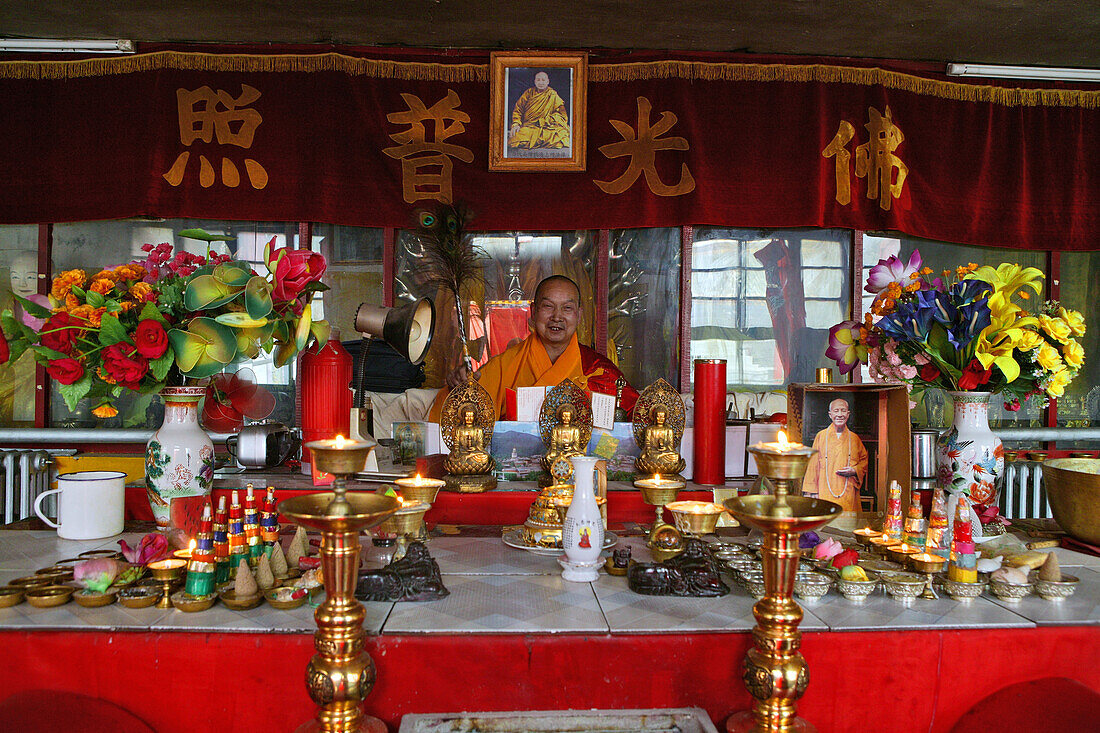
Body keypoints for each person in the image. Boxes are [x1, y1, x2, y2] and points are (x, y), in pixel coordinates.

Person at [429, 275, 638, 420]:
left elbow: (636, 415)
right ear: (533, 311)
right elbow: (465, 408)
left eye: (567, 308)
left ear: (579, 316)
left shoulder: (598, 370)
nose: (557, 316)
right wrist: (457, 388)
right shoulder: (507, 364)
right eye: (548, 306)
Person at [801, 398, 869, 512]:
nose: (840, 414)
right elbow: (813, 466)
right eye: (836, 411)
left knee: (846, 523)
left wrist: (854, 470)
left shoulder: (854, 438)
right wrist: (811, 492)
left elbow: (864, 460)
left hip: (847, 491)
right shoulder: (821, 436)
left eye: (843, 411)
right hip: (824, 491)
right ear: (830, 414)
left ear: (848, 414)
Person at [508, 71, 570, 151]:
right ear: (535, 81)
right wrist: (516, 123)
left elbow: (562, 116)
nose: (541, 82)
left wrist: (545, 121)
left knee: (562, 134)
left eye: (543, 80)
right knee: (514, 138)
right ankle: (542, 142)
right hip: (529, 127)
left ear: (548, 81)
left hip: (547, 128)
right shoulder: (528, 93)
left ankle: (537, 141)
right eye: (538, 80)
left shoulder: (553, 95)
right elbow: (518, 110)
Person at [444, 405, 495, 475]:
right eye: (467, 416)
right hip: (462, 453)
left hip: (475, 453)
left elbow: (480, 444)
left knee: (485, 458)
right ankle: (467, 459)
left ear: (474, 417)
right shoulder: (460, 429)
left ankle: (469, 458)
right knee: (451, 459)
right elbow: (456, 443)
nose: (469, 418)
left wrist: (475, 448)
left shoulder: (478, 430)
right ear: (463, 417)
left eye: (471, 416)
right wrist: (456, 451)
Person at [636, 406, 686, 476]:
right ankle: (659, 458)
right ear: (654, 417)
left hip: (665, 453)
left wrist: (665, 448)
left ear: (666, 417)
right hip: (653, 452)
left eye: (662, 417)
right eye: (658, 416)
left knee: (676, 456)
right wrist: (651, 449)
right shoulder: (650, 429)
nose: (660, 419)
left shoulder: (669, 430)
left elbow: (671, 445)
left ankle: (659, 457)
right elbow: (647, 444)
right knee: (643, 457)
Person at [542, 405, 584, 473]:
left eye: (567, 416)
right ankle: (555, 471)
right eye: (564, 416)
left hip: (571, 452)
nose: (565, 418)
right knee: (548, 457)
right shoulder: (556, 429)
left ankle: (571, 470)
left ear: (571, 417)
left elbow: (576, 444)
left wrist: (570, 449)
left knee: (580, 456)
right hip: (558, 451)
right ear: (560, 417)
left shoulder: (575, 429)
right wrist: (554, 452)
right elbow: (553, 442)